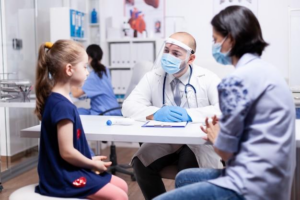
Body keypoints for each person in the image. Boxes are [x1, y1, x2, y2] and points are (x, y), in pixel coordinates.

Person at [154, 6, 295, 200]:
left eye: (215, 39)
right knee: (184, 178)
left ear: (231, 39)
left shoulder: (235, 81)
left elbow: (228, 152)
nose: (215, 46)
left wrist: (216, 136)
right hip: (277, 183)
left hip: (248, 186)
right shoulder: (271, 72)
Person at [122, 32, 223, 200]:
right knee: (140, 163)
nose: (169, 56)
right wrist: (155, 113)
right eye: (167, 51)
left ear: (191, 59)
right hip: (166, 140)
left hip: (196, 143)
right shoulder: (153, 77)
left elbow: (225, 109)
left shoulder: (208, 78)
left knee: (186, 169)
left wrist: (189, 115)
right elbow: (128, 106)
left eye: (176, 54)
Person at [34, 40, 128, 200]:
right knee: (120, 196)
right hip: (62, 176)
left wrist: (89, 159)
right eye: (85, 67)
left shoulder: (61, 100)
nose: (87, 72)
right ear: (69, 69)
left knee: (123, 186)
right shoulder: (62, 105)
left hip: (69, 168)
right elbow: (67, 152)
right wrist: (91, 164)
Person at [71, 44, 121, 116]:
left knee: (74, 112)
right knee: (79, 110)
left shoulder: (95, 75)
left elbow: (75, 94)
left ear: (88, 57)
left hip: (106, 112)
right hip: (113, 110)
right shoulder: (104, 70)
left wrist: (73, 72)